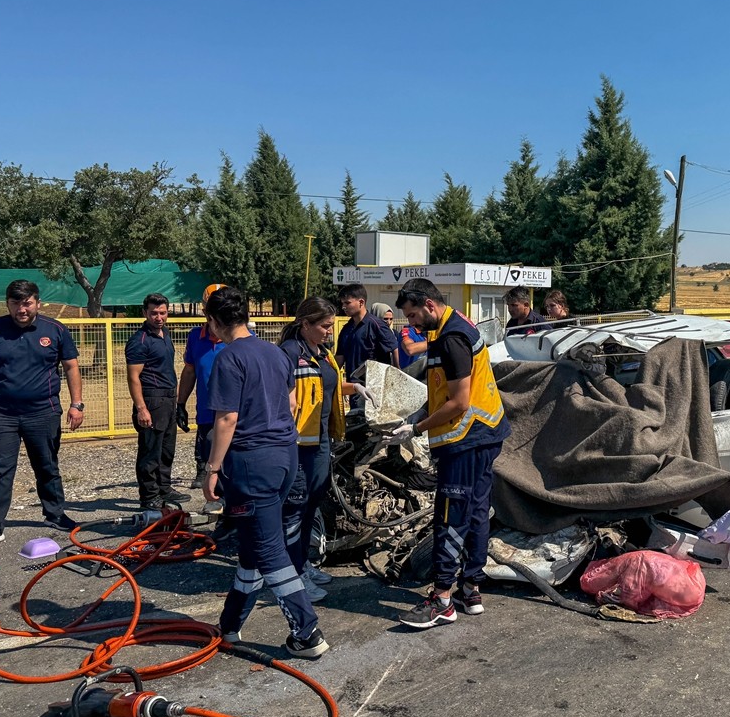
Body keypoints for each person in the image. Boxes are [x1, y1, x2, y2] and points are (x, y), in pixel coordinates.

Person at [202, 287, 327, 658]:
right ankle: (230, 626)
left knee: (270, 551)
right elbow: (290, 404)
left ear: (214, 321)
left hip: (251, 463)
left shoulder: (228, 359)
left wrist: (212, 469)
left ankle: (307, 633)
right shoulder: (274, 352)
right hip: (285, 456)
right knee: (252, 549)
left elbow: (226, 419)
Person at [390, 279, 511, 629]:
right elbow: (444, 388)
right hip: (484, 433)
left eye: (414, 315)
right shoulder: (455, 324)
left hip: (466, 438)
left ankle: (442, 598)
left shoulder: (451, 338)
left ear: (429, 304)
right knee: (476, 512)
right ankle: (470, 590)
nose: (412, 324)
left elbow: (459, 401)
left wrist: (417, 428)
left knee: (450, 514)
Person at [0, 280, 82, 543]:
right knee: (0, 469)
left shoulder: (54, 330)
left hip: (43, 411)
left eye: (27, 303)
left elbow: (71, 367)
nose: (22, 309)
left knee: (47, 466)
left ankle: (55, 514)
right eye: (16, 303)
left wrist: (77, 404)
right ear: (7, 304)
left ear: (37, 303)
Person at [278, 298, 374, 601]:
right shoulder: (290, 353)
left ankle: (303, 564)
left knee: (311, 505)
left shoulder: (323, 353)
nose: (330, 331)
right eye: (324, 326)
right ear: (304, 324)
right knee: (294, 510)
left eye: (332, 325)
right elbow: (283, 398)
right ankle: (291, 575)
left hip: (320, 440)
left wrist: (354, 387)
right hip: (297, 444)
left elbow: (327, 386)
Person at [126, 293, 190, 509]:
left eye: (163, 313)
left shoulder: (165, 334)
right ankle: (149, 495)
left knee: (166, 449)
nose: (159, 317)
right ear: (145, 313)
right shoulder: (139, 341)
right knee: (150, 452)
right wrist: (141, 408)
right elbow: (133, 377)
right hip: (152, 398)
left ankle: (164, 488)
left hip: (169, 398)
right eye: (154, 313)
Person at [177, 283, 227, 491]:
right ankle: (203, 471)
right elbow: (190, 371)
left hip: (235, 410)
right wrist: (180, 403)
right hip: (207, 408)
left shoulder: (241, 340)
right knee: (206, 441)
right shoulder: (195, 337)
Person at [336, 284, 399, 379]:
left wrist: (396, 376)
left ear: (361, 302)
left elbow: (394, 348)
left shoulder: (377, 325)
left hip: (374, 386)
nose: (343, 307)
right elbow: (339, 359)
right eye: (342, 303)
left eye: (347, 303)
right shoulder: (346, 329)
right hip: (353, 387)